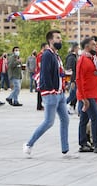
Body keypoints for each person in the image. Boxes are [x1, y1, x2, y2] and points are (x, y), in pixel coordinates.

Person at [23, 30, 71, 158]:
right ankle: (29, 144)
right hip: (51, 93)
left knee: (65, 119)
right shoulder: (47, 55)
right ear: (51, 40)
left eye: (60, 38)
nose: (60, 40)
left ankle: (65, 149)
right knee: (49, 122)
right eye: (57, 38)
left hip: (59, 93)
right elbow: (45, 74)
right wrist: (52, 90)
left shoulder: (56, 55)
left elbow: (57, 73)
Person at [76, 37, 97, 154]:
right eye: (93, 45)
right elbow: (78, 79)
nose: (95, 46)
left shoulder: (91, 59)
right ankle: (96, 144)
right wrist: (84, 98)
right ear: (86, 46)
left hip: (93, 93)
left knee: (84, 119)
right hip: (86, 94)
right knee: (95, 118)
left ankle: (84, 143)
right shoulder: (82, 60)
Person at [65, 42, 79, 114]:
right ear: (75, 48)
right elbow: (70, 70)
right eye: (78, 48)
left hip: (75, 79)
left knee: (74, 95)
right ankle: (62, 106)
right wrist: (72, 81)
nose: (78, 50)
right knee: (72, 95)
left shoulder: (74, 57)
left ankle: (68, 106)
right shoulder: (71, 58)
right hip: (73, 79)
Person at [35, 43, 49, 111]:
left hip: (41, 73)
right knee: (40, 90)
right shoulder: (40, 55)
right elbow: (40, 65)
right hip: (40, 74)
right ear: (43, 47)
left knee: (41, 90)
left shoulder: (43, 55)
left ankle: (40, 105)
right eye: (47, 46)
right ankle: (39, 105)